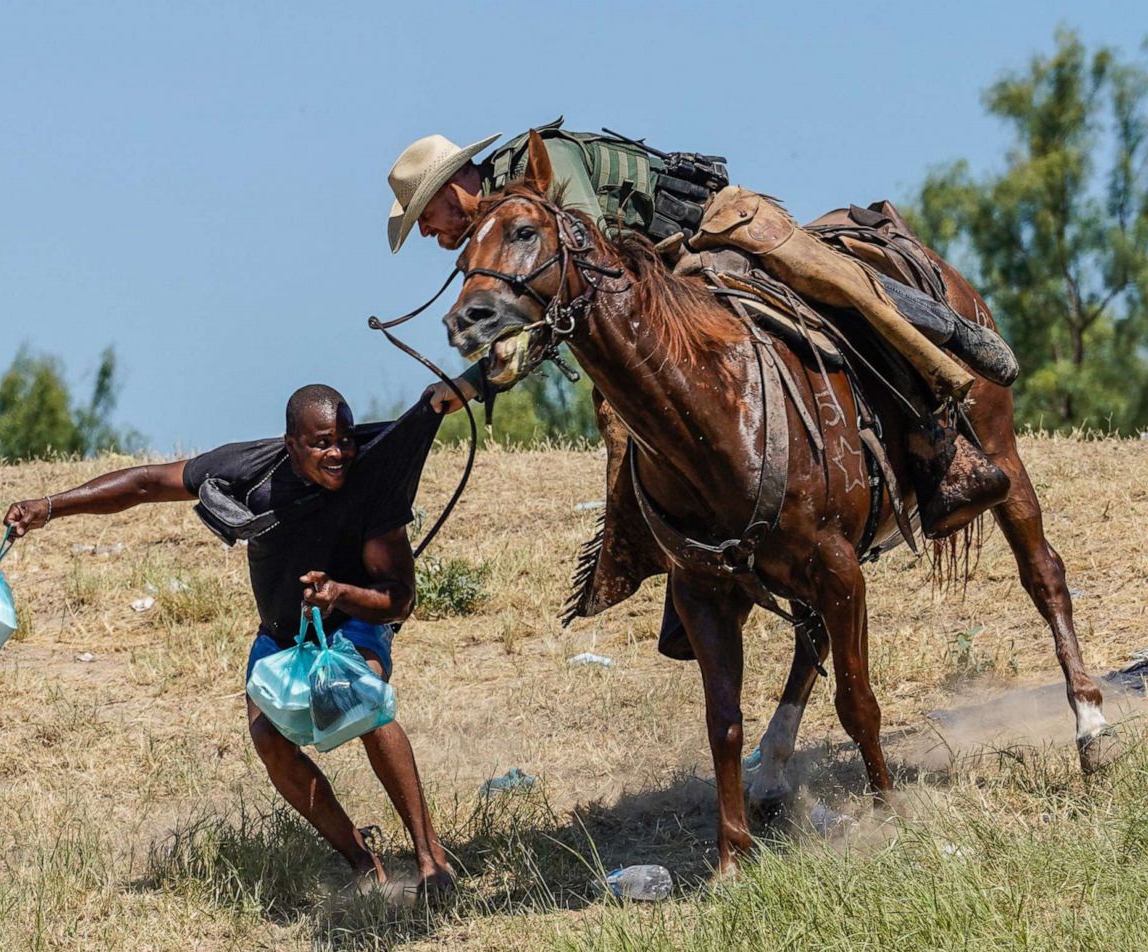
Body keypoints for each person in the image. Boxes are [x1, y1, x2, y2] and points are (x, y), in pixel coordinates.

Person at [387, 120, 1022, 638]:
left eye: (425, 213)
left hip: (713, 236)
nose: (426, 230)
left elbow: (589, 271)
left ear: (453, 187)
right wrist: (474, 380)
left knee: (837, 293)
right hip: (661, 284)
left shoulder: (542, 164)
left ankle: (944, 430)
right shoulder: (499, 230)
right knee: (635, 410)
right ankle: (693, 558)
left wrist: (479, 379)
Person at [4, 385, 455, 897]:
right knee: (269, 740)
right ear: (291, 443)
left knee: (362, 701)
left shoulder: (372, 484)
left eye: (346, 440)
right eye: (323, 443)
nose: (339, 454)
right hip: (282, 636)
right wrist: (51, 506)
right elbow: (148, 484)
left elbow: (399, 600)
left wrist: (340, 593)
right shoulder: (249, 469)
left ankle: (429, 859)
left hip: (351, 621)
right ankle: (362, 862)